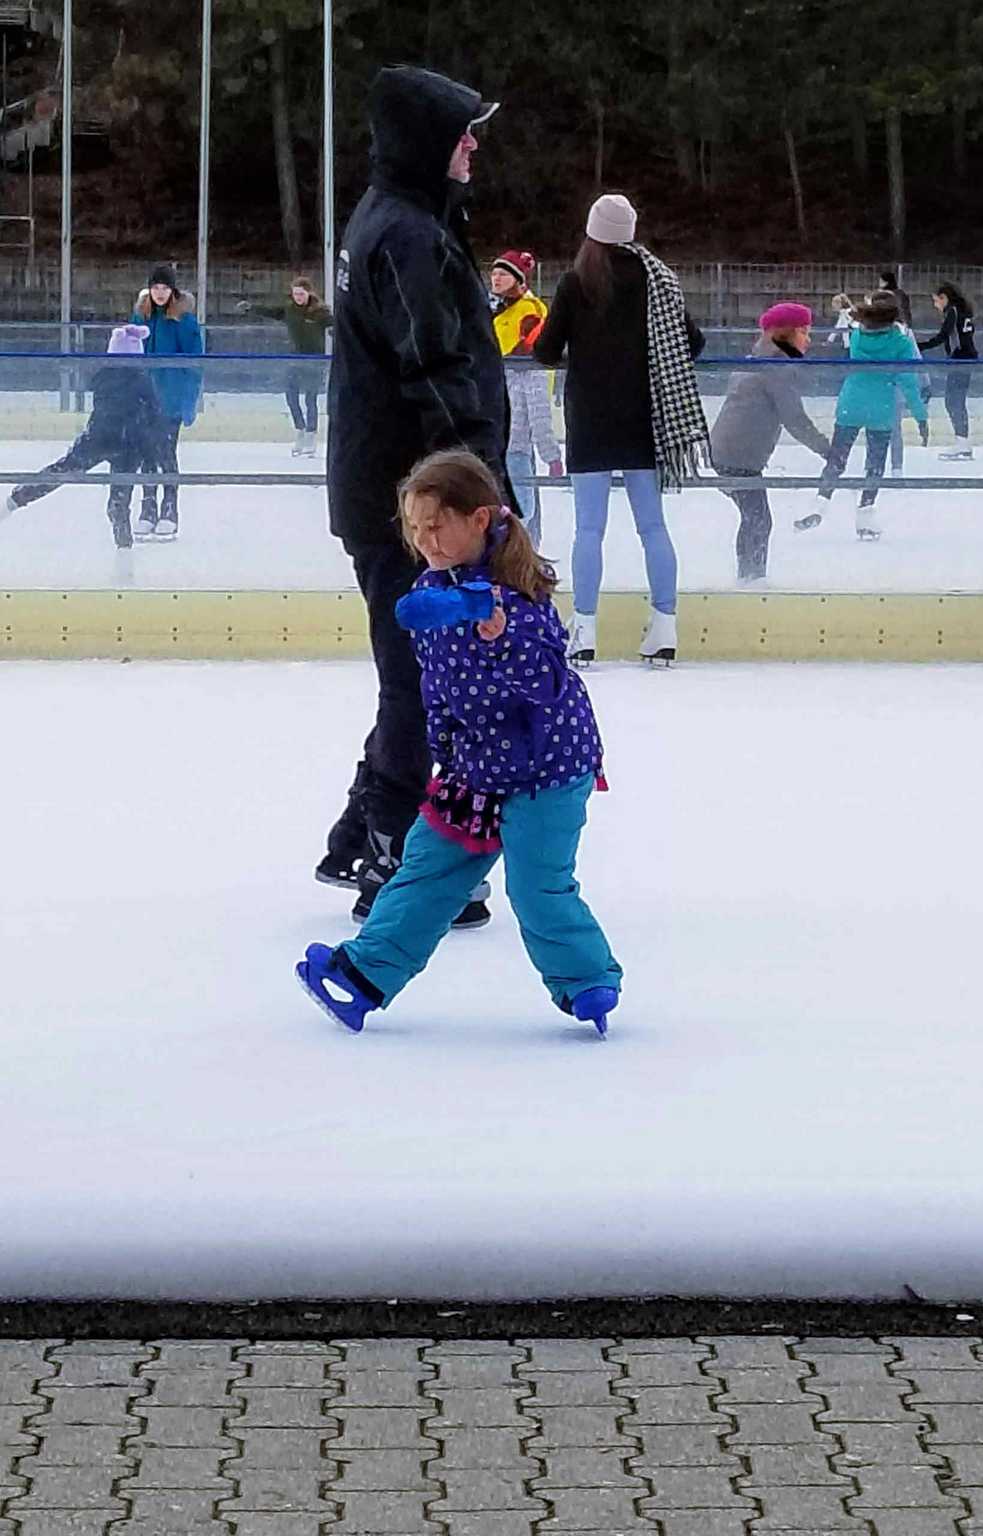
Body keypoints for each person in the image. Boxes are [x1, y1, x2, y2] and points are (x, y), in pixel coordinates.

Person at [296, 449, 623, 1037]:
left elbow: (548, 685)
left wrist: (501, 639)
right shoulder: (432, 591)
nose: (426, 540)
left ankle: (586, 982)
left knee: (537, 885)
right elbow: (436, 681)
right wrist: (444, 744)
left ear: (478, 519)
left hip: (546, 770)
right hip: (474, 771)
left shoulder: (519, 594)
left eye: (437, 526)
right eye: (415, 528)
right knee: (425, 871)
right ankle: (365, 975)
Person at [318, 64, 513, 929]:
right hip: (410, 501)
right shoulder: (404, 235)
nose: (473, 147)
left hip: (400, 491)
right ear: (426, 141)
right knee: (420, 677)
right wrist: (477, 498)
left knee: (416, 670)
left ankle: (359, 831)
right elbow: (433, 373)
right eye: (462, 133)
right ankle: (392, 854)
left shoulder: (404, 218)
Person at [533, 193, 707, 665]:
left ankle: (584, 629)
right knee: (653, 526)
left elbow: (545, 352)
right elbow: (692, 343)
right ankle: (665, 625)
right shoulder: (658, 282)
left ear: (592, 233)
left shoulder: (575, 282)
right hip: (644, 418)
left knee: (589, 528)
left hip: (590, 418)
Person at [2, 325, 162, 548]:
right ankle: (124, 544)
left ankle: (16, 499)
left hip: (99, 438)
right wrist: (149, 446)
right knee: (119, 500)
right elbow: (154, 412)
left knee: (61, 471)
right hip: (127, 444)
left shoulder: (104, 376)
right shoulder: (141, 379)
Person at [710, 302, 831, 583]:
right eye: (803, 332)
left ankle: (749, 576)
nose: (808, 339)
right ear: (785, 334)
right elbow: (794, 419)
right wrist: (828, 450)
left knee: (754, 516)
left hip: (729, 452)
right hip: (737, 456)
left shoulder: (759, 358)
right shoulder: (775, 368)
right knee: (758, 518)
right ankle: (752, 578)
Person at [798, 291, 928, 541]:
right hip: (882, 406)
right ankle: (866, 514)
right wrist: (920, 416)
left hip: (852, 402)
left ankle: (820, 502)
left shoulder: (857, 336)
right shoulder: (900, 343)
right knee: (875, 463)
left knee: (837, 457)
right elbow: (909, 382)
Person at [489, 249, 562, 546]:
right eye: (494, 273)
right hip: (498, 430)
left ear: (519, 280)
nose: (495, 278)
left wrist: (550, 453)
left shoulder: (530, 313)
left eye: (503, 274)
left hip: (514, 436)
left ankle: (520, 556)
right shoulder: (494, 310)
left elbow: (537, 395)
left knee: (521, 508)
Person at [130, 263, 203, 539]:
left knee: (166, 452)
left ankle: (170, 509)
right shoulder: (140, 317)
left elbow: (195, 364)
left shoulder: (185, 321)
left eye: (165, 288)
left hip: (171, 400)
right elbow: (130, 356)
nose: (160, 293)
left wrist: (188, 402)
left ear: (173, 291)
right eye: (155, 287)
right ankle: (148, 508)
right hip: (143, 398)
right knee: (146, 453)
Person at [236, 276, 333, 457]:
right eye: (295, 294)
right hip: (294, 359)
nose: (298, 297)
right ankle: (300, 430)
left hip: (314, 360)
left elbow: (334, 323)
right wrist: (251, 308)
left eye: (301, 294)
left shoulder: (319, 312)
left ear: (309, 293)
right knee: (291, 396)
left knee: (310, 398)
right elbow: (270, 311)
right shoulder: (289, 310)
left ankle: (311, 435)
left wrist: (335, 331)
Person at [920, 281, 979, 461]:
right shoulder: (962, 310)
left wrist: (919, 346)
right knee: (955, 401)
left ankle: (963, 443)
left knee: (954, 401)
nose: (935, 305)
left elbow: (943, 336)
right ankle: (962, 442)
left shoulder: (953, 311)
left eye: (936, 301)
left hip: (961, 359)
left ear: (944, 298)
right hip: (964, 358)